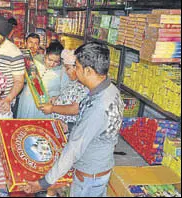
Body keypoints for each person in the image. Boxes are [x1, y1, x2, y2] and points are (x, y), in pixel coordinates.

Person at [23, 42, 124, 197]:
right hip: (101, 166)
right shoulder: (110, 90)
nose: (74, 71)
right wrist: (70, 126)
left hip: (89, 174)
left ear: (88, 70)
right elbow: (98, 129)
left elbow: (74, 149)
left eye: (76, 66)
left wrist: (44, 183)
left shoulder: (99, 106)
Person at [40, 49, 88, 134]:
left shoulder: (84, 86)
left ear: (77, 67)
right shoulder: (74, 82)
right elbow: (68, 96)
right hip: (59, 127)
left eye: (68, 68)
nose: (66, 72)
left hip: (66, 129)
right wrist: (57, 98)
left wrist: (52, 108)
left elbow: (75, 108)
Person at [17, 40, 68, 119]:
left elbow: (65, 91)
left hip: (43, 107)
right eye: (49, 60)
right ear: (45, 54)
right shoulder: (35, 61)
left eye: (56, 62)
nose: (52, 64)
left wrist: (56, 97)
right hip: (26, 101)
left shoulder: (63, 71)